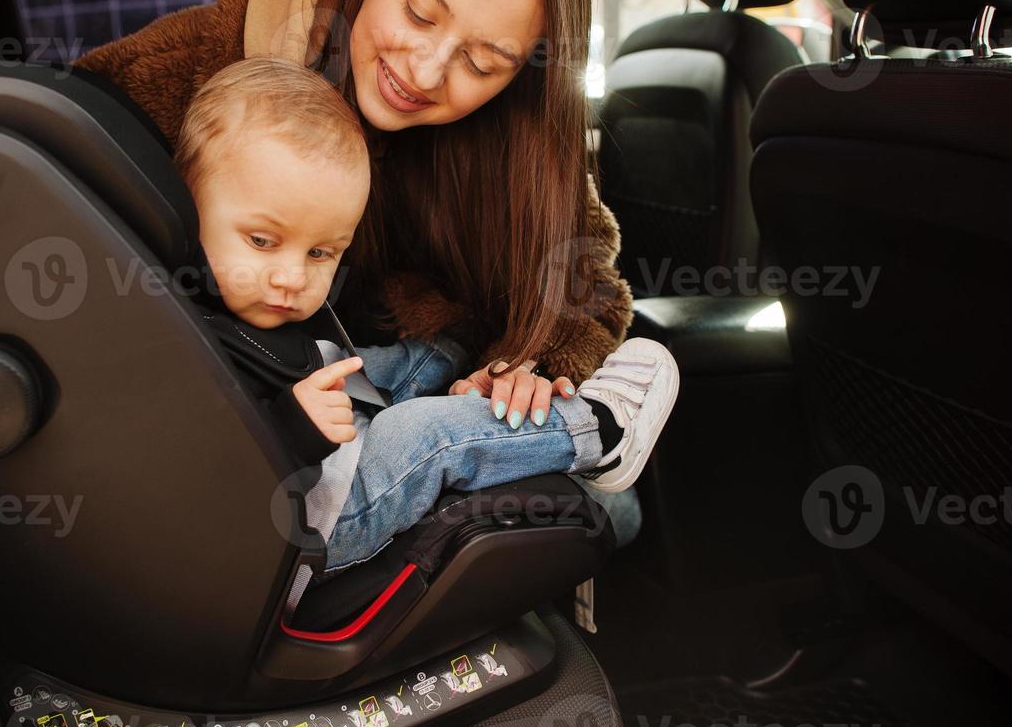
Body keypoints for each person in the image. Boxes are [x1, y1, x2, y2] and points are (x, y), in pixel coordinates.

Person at [76, 0, 644, 543]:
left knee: (612, 508)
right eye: (419, 14)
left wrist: (530, 365)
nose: (426, 70)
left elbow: (587, 286)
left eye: (480, 62)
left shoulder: (511, 143)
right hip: (249, 459)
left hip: (378, 407)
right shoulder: (184, 74)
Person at [177, 58, 678, 570]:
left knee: (391, 361)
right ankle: (599, 432)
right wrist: (291, 429)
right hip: (311, 523)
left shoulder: (236, 303)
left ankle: (456, 366)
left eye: (321, 254)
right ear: (185, 208)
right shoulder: (168, 342)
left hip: (325, 451)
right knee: (416, 434)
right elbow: (201, 468)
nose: (292, 278)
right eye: (261, 241)